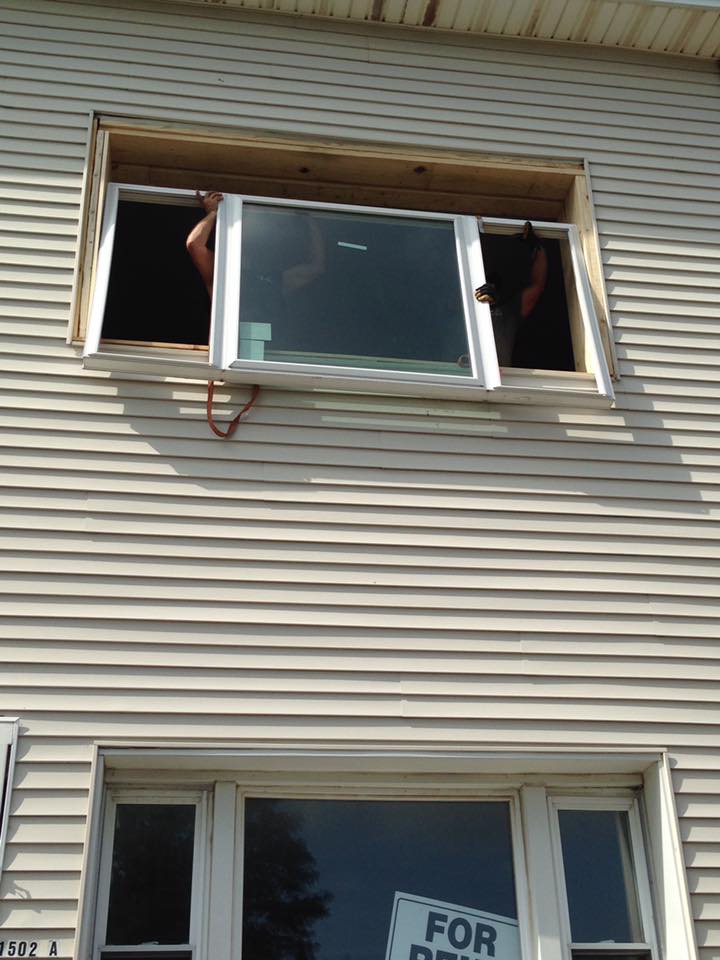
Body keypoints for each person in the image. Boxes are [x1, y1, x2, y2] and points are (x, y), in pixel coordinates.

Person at [474, 220, 548, 367]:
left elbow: (537, 285)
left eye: (494, 286)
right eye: (487, 283)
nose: (489, 287)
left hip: (499, 377)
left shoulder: (508, 313)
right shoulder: (459, 305)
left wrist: (537, 249)